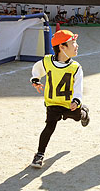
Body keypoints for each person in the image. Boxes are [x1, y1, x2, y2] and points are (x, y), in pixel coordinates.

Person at [30, 30, 90, 168]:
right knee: (49, 127)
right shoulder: (47, 61)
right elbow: (37, 69)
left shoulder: (75, 67)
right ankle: (39, 154)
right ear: (62, 47)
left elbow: (78, 86)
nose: (77, 45)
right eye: (73, 43)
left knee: (76, 117)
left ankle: (84, 113)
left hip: (69, 104)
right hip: (52, 103)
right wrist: (35, 79)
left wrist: (76, 100)